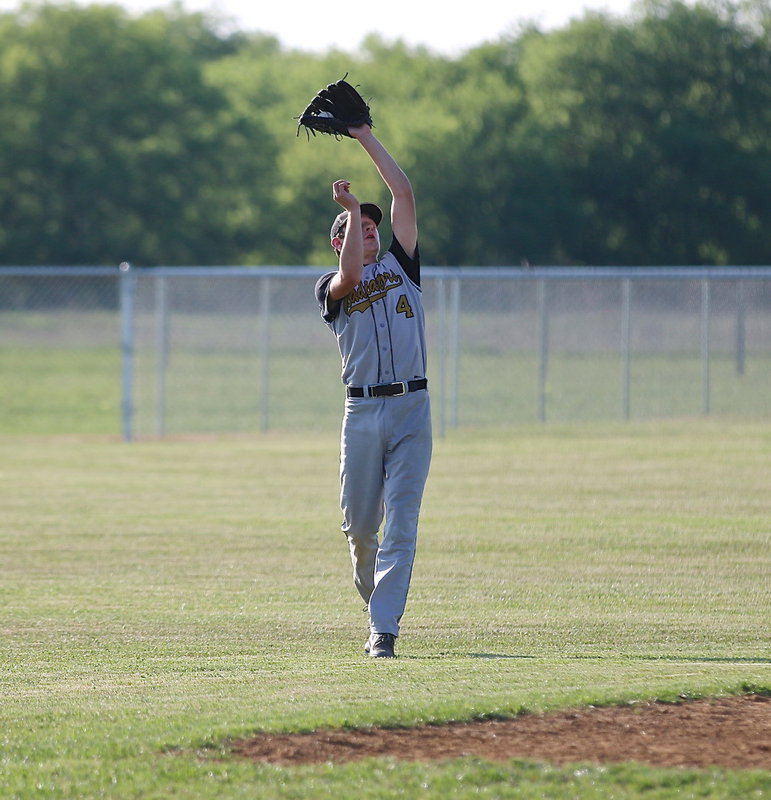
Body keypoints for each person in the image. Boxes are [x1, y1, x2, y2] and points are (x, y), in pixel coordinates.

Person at [314, 124, 432, 659]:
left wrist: (362, 135)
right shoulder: (332, 286)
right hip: (362, 413)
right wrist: (351, 203)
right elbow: (350, 278)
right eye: (356, 226)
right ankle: (375, 601)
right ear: (338, 243)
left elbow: (403, 194)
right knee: (361, 531)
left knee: (402, 523)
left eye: (371, 225)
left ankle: (383, 631)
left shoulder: (402, 266)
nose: (368, 229)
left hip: (412, 409)